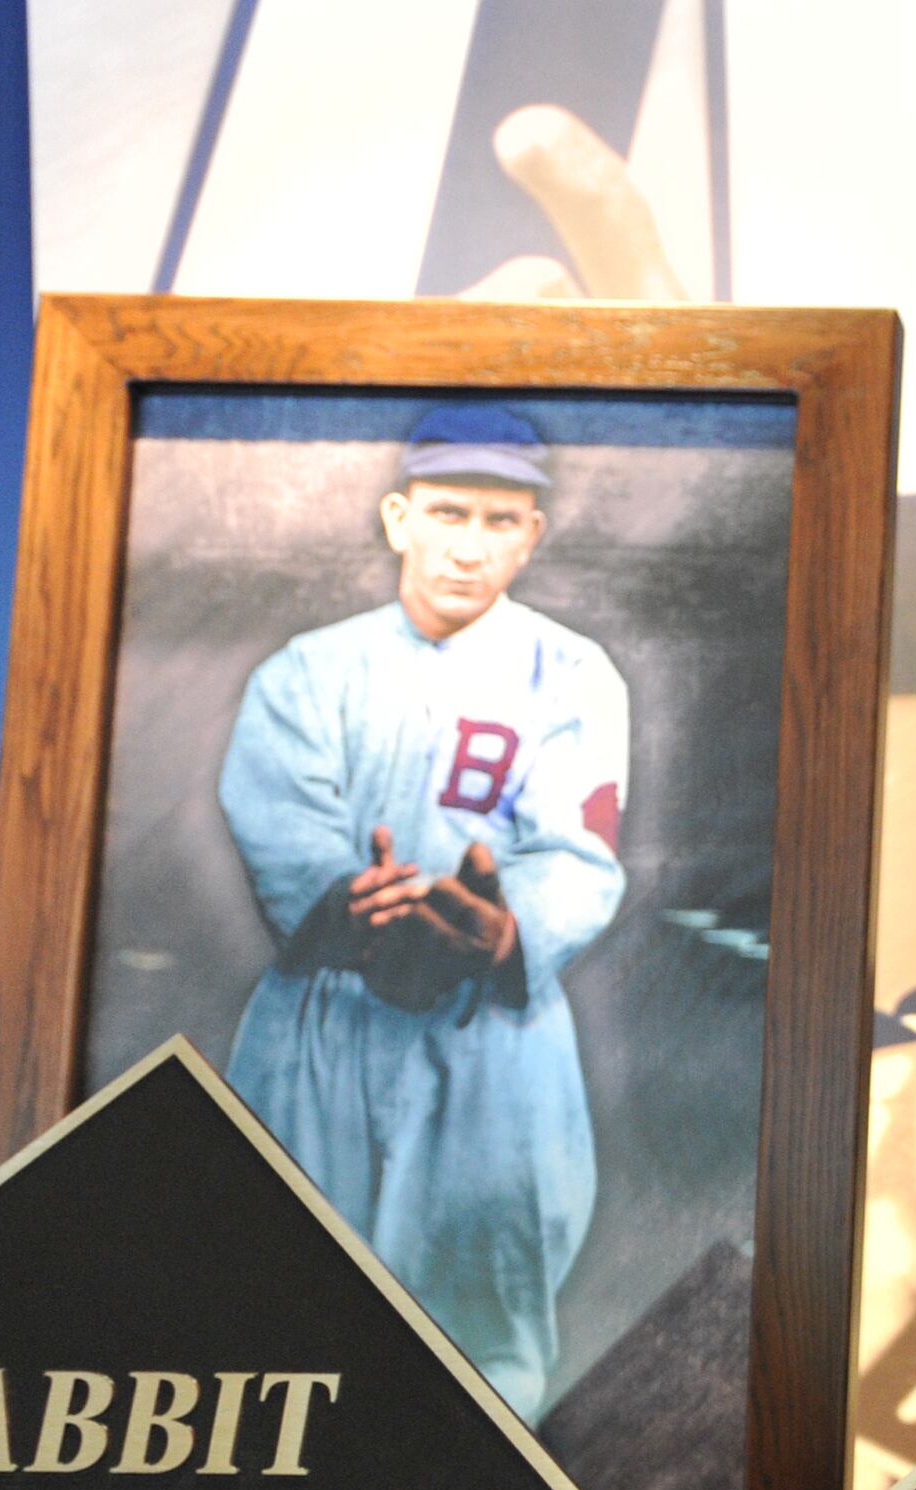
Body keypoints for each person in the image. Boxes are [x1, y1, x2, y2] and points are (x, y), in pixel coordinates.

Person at [217, 405, 629, 1420]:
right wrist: (360, 909)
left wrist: (498, 924)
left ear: (532, 535)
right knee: (286, 1312)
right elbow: (286, 840)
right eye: (449, 511)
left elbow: (581, 856)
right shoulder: (310, 671)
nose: (469, 544)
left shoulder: (570, 671)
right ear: (399, 516)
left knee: (486, 1329)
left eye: (500, 520)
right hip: (329, 1016)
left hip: (487, 1025)